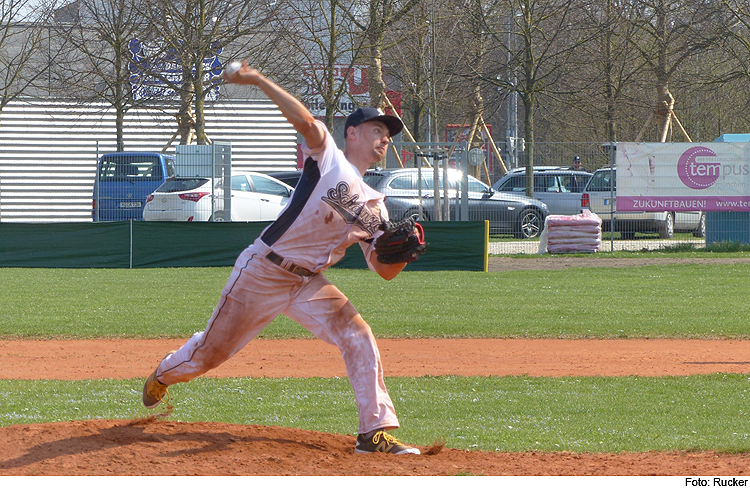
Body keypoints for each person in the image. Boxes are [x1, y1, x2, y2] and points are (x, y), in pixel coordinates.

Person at [141, 61, 422, 455]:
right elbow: (305, 121)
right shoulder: (329, 159)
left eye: (388, 135)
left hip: (308, 282)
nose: (385, 139)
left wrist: (401, 254)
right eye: (378, 130)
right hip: (263, 270)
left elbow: (383, 270)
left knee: (358, 337)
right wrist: (256, 79)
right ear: (353, 133)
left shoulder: (377, 206)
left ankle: (373, 433)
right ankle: (164, 373)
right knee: (210, 354)